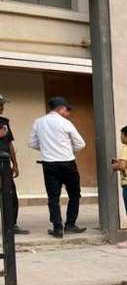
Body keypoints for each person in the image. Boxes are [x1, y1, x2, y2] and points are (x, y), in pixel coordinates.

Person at [28, 96, 87, 238]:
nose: (68, 113)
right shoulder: (66, 123)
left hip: (49, 165)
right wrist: (67, 149)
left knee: (53, 197)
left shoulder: (38, 122)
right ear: (60, 109)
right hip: (67, 163)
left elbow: (32, 143)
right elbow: (81, 143)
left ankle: (57, 228)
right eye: (67, 110)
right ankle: (70, 225)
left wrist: (47, 148)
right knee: (74, 194)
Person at [0, 94, 29, 234]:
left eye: (2, 105)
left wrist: (15, 164)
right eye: (0, 104)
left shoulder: (4, 122)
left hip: (4, 165)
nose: (2, 107)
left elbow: (9, 144)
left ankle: (12, 225)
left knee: (11, 196)